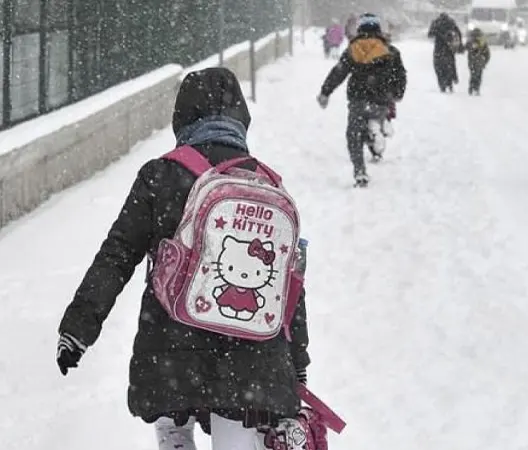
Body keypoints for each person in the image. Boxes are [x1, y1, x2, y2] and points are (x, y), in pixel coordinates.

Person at [55, 67, 311, 450]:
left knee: (173, 412)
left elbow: (118, 254)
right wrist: (298, 359)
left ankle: (175, 435)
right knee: (239, 432)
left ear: (182, 117)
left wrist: (78, 327)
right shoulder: (266, 184)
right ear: (241, 118)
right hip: (251, 359)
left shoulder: (160, 175)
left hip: (170, 348)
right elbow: (286, 284)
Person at [316, 13, 407, 187]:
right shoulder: (391, 51)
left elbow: (339, 72)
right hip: (381, 99)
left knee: (354, 135)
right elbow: (400, 76)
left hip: (358, 98)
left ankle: (360, 171)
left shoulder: (353, 49)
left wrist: (325, 92)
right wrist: (397, 93)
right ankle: (378, 129)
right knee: (375, 118)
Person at [428, 12, 463, 93]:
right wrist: (460, 43)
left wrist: (437, 33)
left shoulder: (436, 22)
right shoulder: (451, 22)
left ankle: (442, 84)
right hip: (448, 47)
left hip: (439, 48)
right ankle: (450, 81)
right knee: (450, 65)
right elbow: (458, 32)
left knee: (439, 67)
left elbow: (430, 34)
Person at [466, 28, 491, 96]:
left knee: (473, 75)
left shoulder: (470, 41)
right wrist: (485, 61)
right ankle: (476, 88)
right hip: (480, 62)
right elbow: (487, 54)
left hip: (472, 62)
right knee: (478, 76)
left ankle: (471, 87)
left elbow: (466, 48)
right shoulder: (482, 42)